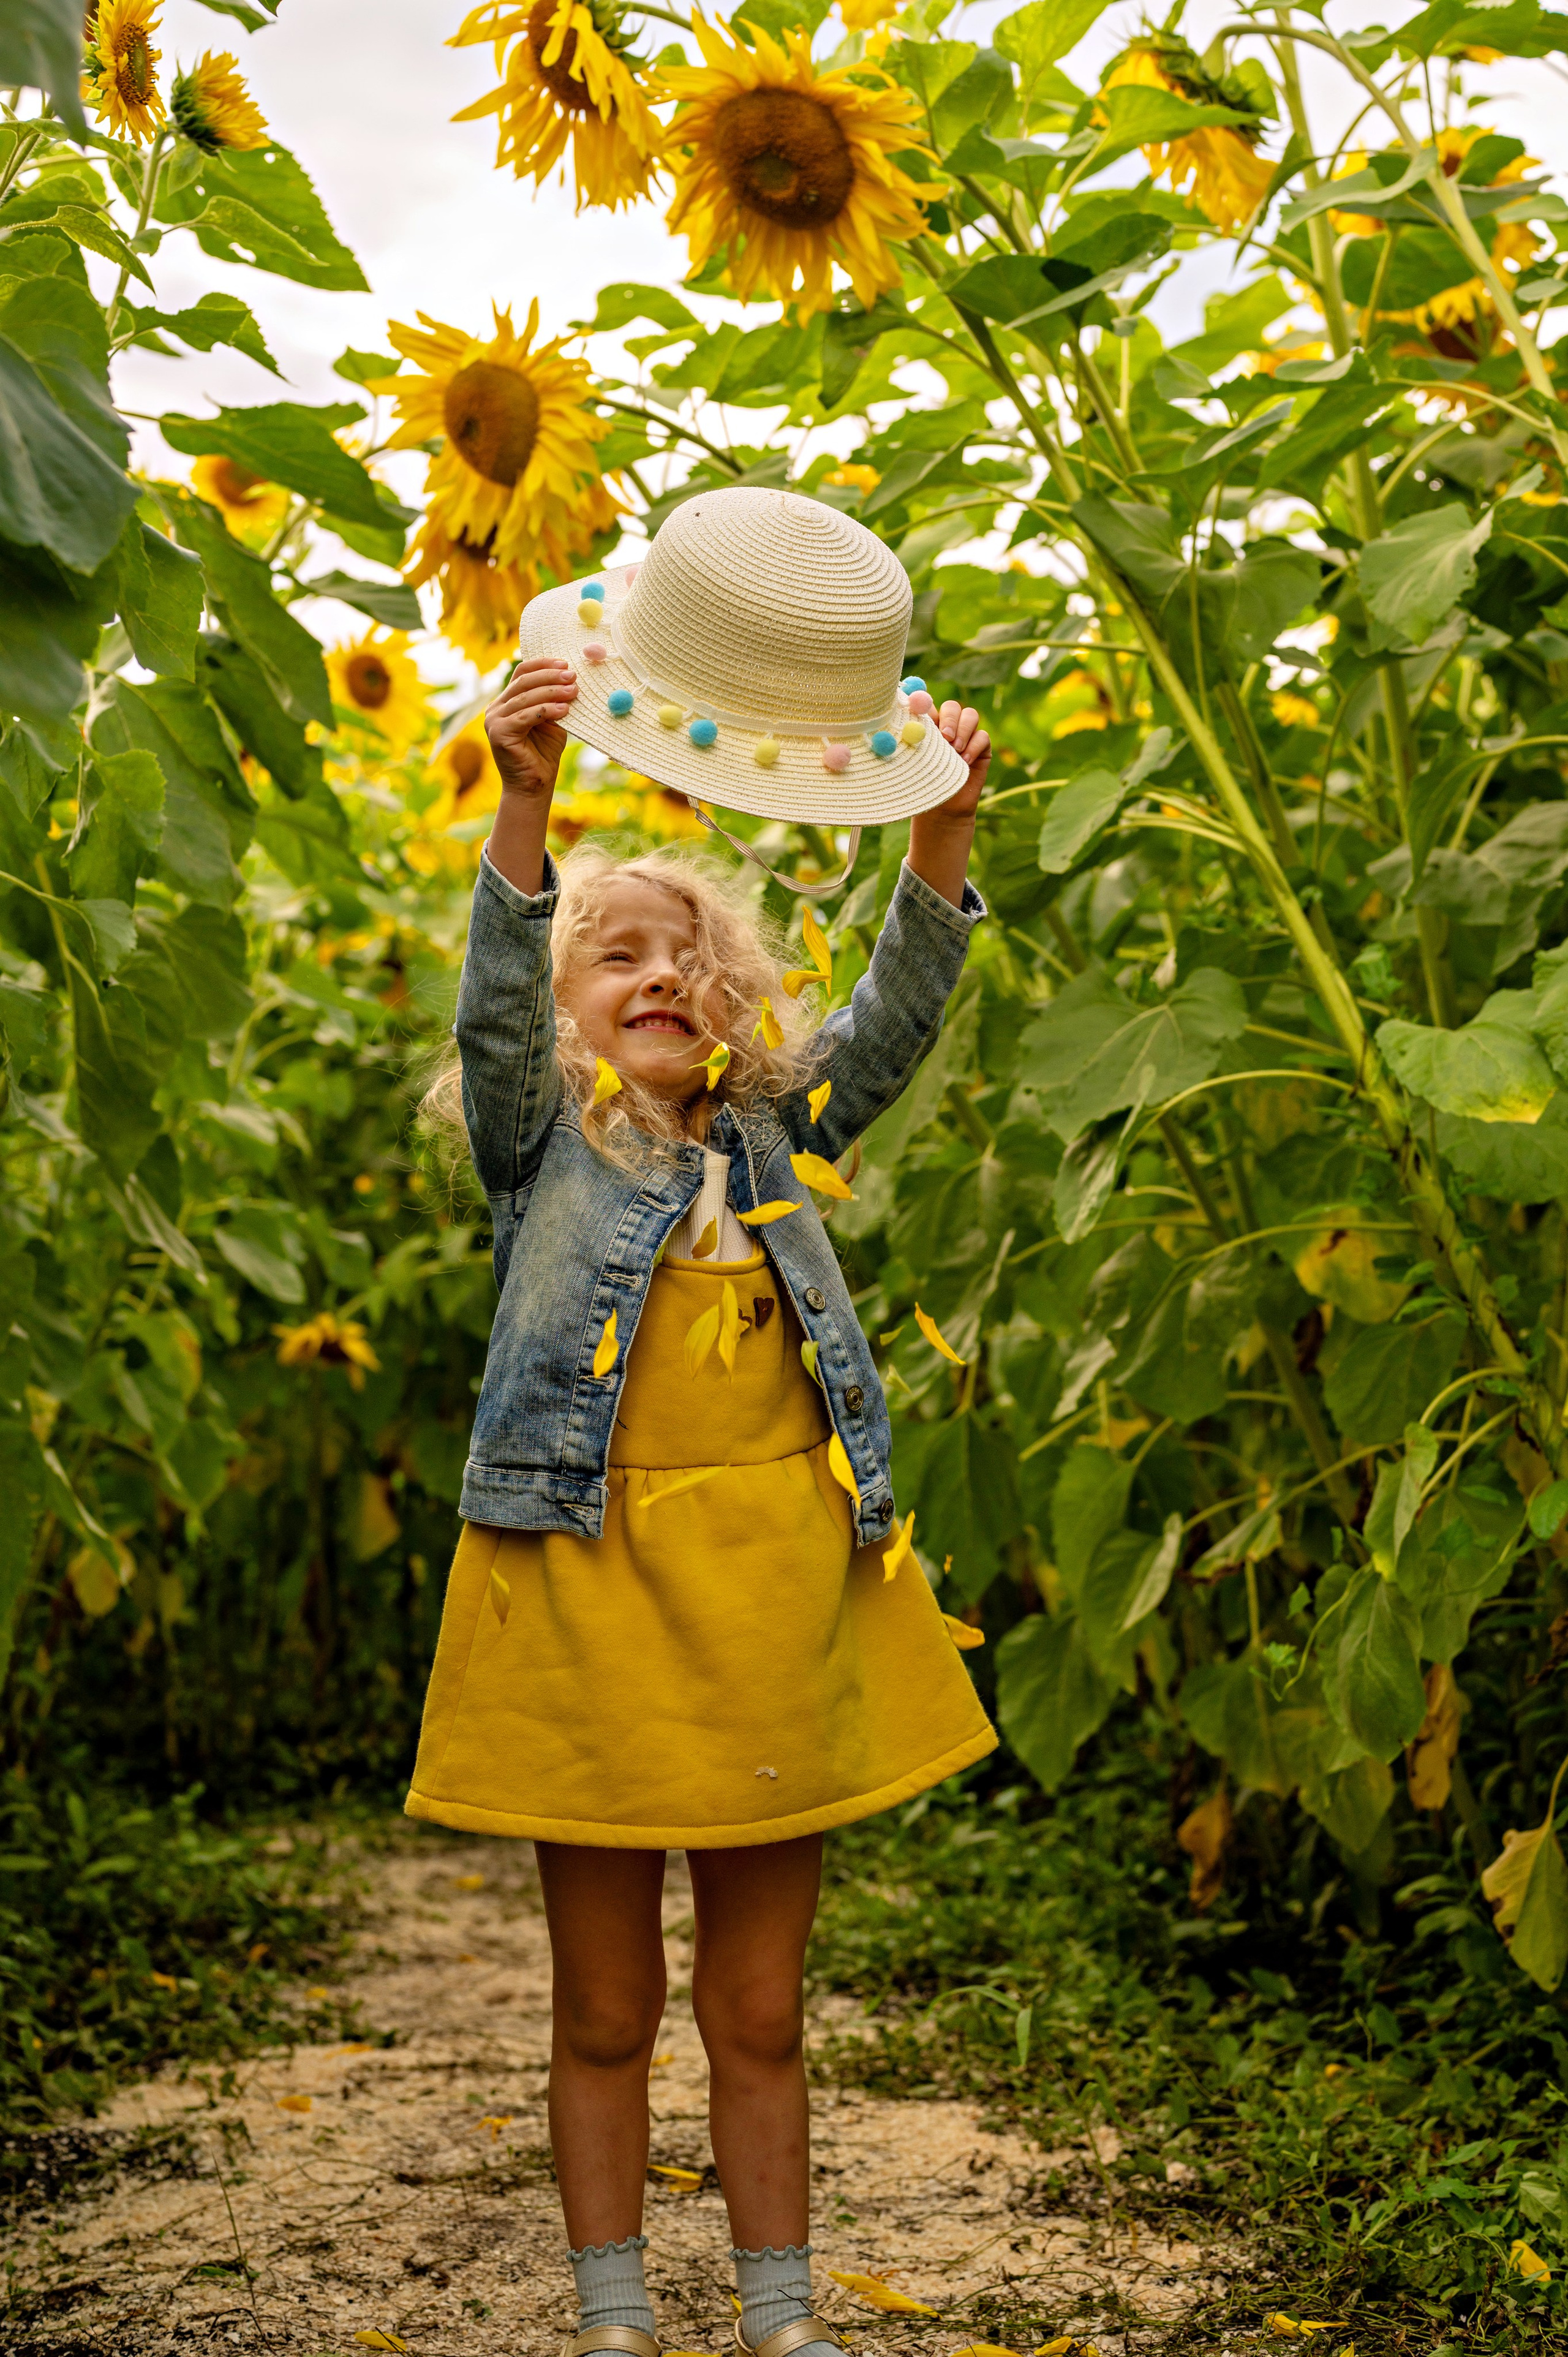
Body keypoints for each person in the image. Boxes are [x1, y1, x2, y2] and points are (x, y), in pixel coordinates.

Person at [406, 487, 997, 2357]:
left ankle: (779, 2317)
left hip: (767, 1599)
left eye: (685, 951)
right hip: (580, 1592)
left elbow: (891, 1035)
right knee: (602, 2010)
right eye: (614, 957)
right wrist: (528, 808)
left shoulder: (772, 1139)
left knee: (760, 2008)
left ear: (729, 1001)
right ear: (572, 1023)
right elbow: (499, 1007)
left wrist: (943, 842)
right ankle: (610, 2322)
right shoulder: (538, 1149)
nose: (656, 970)